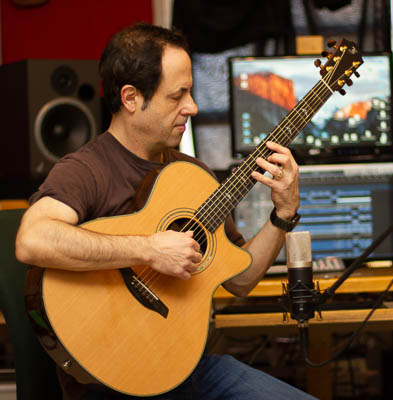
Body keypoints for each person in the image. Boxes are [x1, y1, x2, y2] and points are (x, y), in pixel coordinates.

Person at [16, 22, 315, 400]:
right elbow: (33, 239)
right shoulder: (86, 169)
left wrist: (283, 215)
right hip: (114, 382)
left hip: (193, 370)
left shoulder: (193, 176)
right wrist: (149, 249)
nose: (192, 106)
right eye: (178, 95)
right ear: (130, 98)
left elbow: (240, 280)